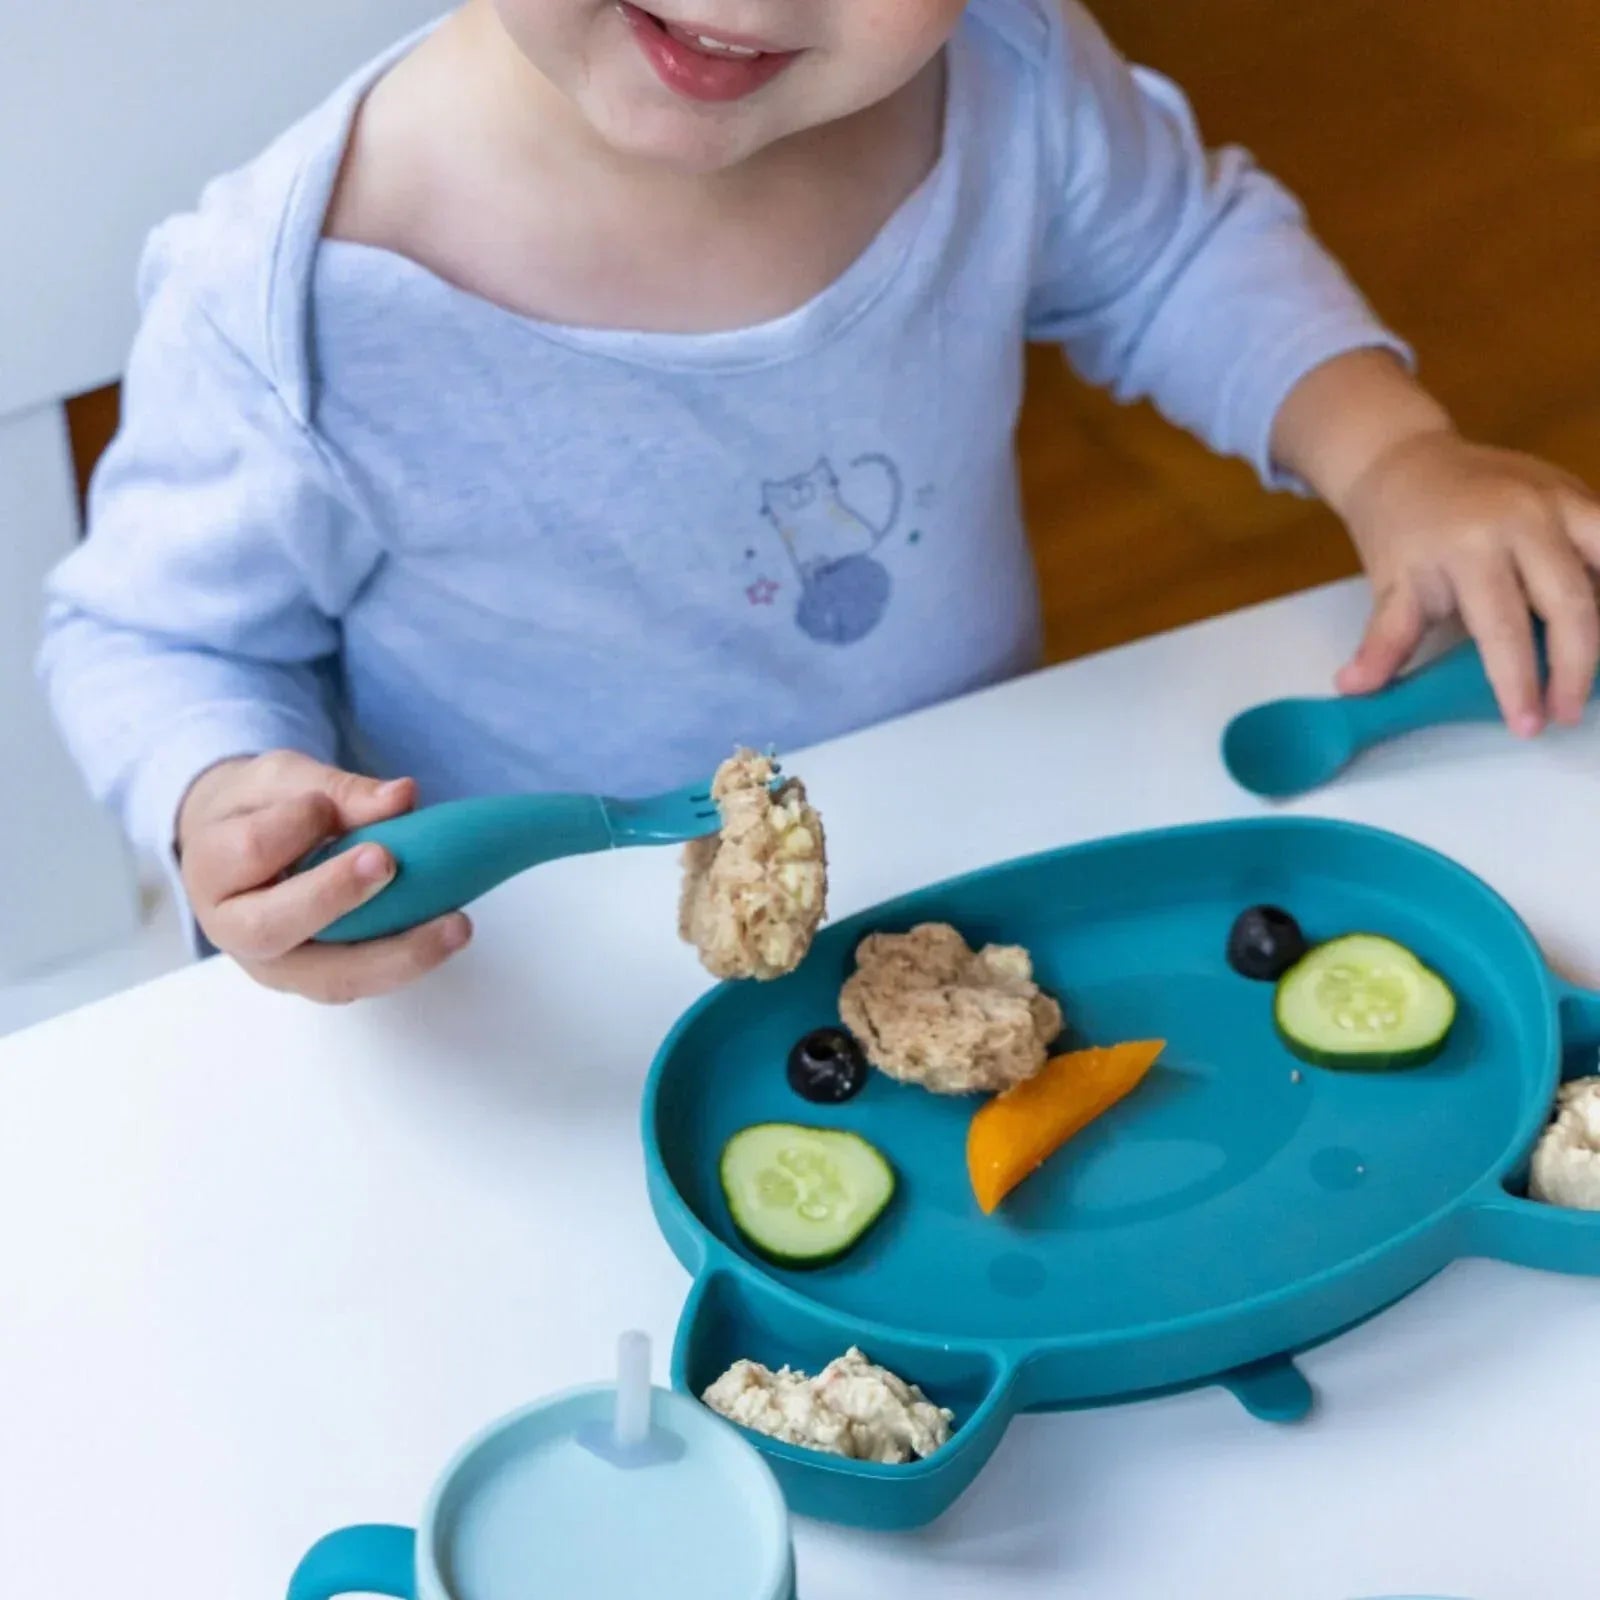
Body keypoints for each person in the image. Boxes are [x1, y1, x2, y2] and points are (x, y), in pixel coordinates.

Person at [38, 0, 1600, 1003]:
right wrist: (221, 796)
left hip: (965, 876)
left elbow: (1174, 255)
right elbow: (149, 639)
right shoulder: (294, 308)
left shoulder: (1007, 76)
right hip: (548, 986)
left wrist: (1392, 452)